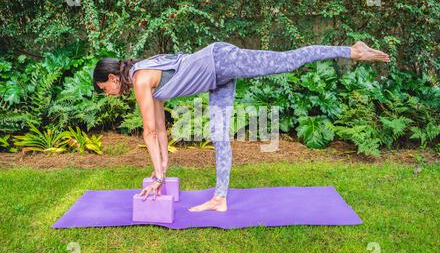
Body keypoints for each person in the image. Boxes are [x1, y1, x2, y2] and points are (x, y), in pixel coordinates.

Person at [92, 41, 390, 212]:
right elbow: (159, 128)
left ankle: (350, 51)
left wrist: (158, 175)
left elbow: (150, 132)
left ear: (112, 78)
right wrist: (161, 171)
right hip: (215, 77)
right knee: (219, 135)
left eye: (103, 88)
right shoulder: (144, 75)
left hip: (220, 59)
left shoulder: (142, 78)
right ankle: (220, 198)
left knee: (283, 62)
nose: (107, 93)